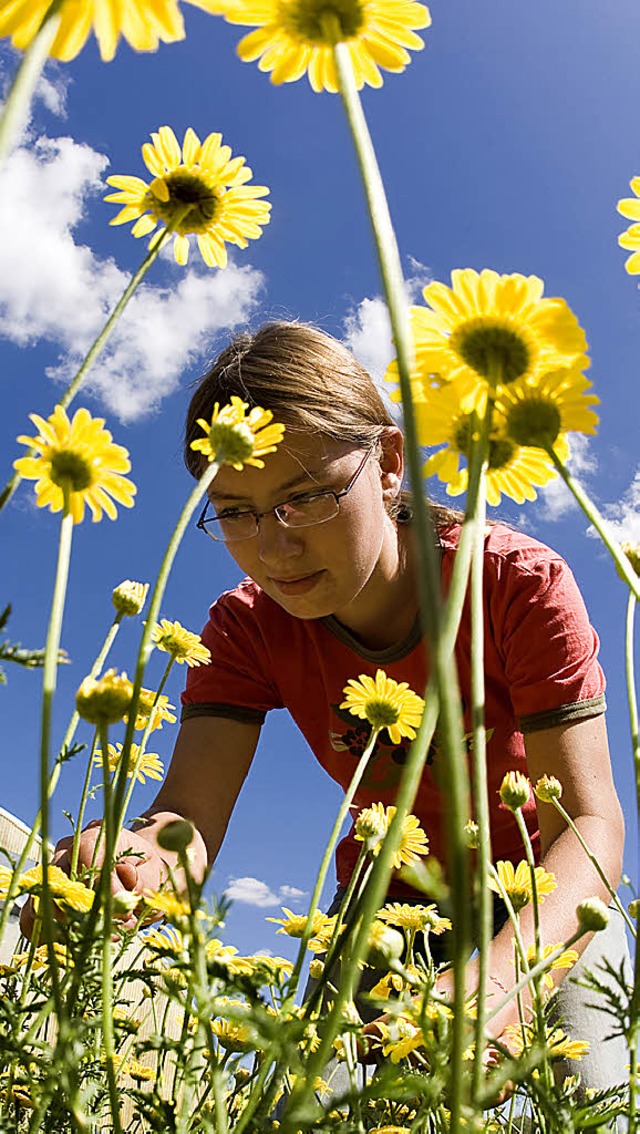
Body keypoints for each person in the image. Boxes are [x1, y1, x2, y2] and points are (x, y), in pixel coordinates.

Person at [25, 321, 628, 1091]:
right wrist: (130, 865)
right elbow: (187, 817)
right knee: (312, 1102)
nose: (275, 549)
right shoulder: (243, 627)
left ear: (388, 461)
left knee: (588, 1096)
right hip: (383, 895)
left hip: (549, 897)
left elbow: (592, 822)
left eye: (305, 496)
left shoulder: (515, 584)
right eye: (235, 512)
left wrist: (500, 983)